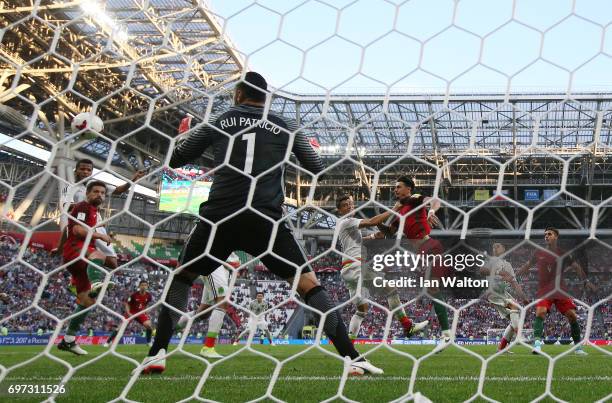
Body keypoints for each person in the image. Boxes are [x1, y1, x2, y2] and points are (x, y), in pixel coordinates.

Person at [137, 72, 382, 376]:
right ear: (266, 99)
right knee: (309, 285)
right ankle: (353, 359)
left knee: (183, 278)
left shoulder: (218, 120)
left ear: (238, 94)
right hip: (264, 219)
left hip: (220, 217)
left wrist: (190, 137)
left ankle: (157, 353)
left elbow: (177, 159)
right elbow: (315, 166)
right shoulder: (285, 124)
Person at [372, 177, 452, 350]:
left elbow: (434, 201)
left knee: (433, 289)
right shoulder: (400, 212)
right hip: (421, 252)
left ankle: (446, 335)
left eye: (398, 187)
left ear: (408, 189)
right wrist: (378, 223)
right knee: (432, 290)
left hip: (429, 246)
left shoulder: (414, 198)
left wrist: (431, 212)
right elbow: (388, 232)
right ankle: (446, 334)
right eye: (394, 188)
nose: (395, 190)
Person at [334, 195, 428, 340]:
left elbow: (355, 242)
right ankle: (407, 326)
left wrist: (372, 237)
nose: (349, 207)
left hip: (347, 271)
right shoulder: (348, 221)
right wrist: (394, 209)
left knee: (361, 311)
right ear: (339, 210)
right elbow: (372, 221)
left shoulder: (344, 225)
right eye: (345, 205)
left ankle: (349, 348)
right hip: (357, 267)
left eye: (351, 204)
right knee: (390, 289)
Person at [54, 158, 145, 270]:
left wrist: (134, 179)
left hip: (97, 223)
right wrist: (87, 204)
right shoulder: (70, 188)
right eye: (82, 169)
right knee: (74, 238)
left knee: (112, 263)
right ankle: (81, 267)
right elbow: (65, 206)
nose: (85, 172)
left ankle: (78, 255)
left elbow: (118, 190)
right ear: (76, 170)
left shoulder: (96, 186)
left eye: (88, 170)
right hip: (80, 222)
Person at [57, 181, 112, 355]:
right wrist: (99, 236)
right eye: (96, 191)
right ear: (87, 193)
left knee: (87, 302)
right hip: (76, 250)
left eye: (103, 193)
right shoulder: (83, 206)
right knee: (100, 256)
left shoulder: (94, 212)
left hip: (80, 259)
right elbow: (78, 231)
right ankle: (97, 282)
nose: (100, 195)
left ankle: (68, 340)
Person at [517, 227, 590, 355]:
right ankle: (537, 346)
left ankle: (578, 348)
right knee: (540, 312)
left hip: (560, 289)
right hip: (545, 289)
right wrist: (515, 276)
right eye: (545, 234)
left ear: (556, 237)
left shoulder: (564, 253)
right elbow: (527, 265)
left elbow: (577, 268)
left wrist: (585, 281)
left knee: (572, 316)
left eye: (549, 234)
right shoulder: (538, 252)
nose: (546, 236)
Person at [176, 252, 242, 358]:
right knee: (223, 302)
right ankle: (208, 347)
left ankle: (170, 328)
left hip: (224, 270)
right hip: (214, 264)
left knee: (203, 313)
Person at [481, 242, 529, 353]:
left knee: (514, 319)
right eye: (493, 246)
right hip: (494, 293)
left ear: (504, 248)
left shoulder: (508, 265)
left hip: (503, 293)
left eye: (498, 246)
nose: (494, 248)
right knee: (514, 310)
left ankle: (501, 348)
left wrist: (524, 297)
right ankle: (519, 336)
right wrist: (498, 272)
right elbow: (482, 270)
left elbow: (514, 283)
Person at [105, 280, 154, 347]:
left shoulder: (149, 296)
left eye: (145, 285)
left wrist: (145, 311)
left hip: (140, 313)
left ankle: (149, 342)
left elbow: (146, 304)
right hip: (131, 312)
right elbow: (127, 304)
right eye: (142, 285)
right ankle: (108, 342)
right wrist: (128, 313)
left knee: (149, 325)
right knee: (120, 328)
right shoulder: (134, 295)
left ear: (147, 286)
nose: (143, 286)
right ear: (139, 286)